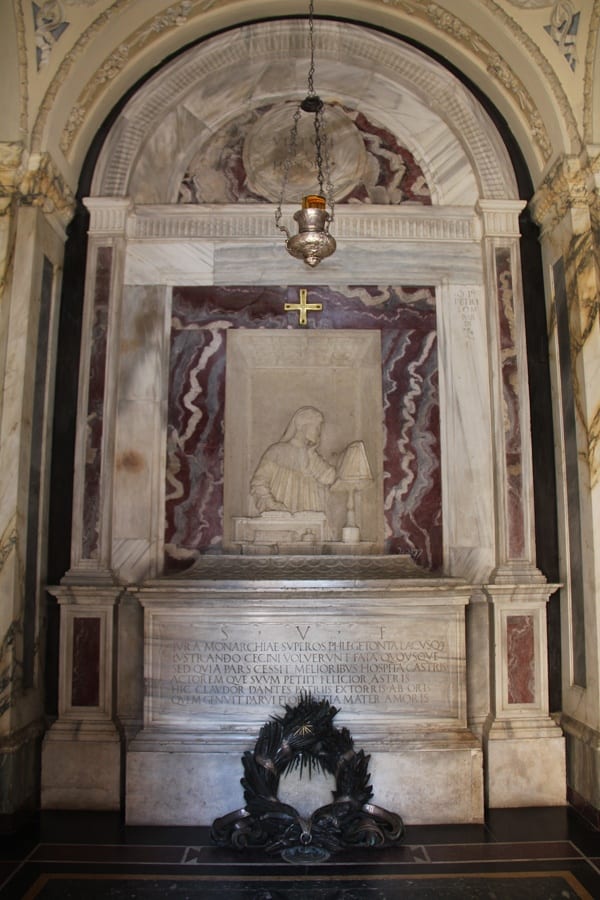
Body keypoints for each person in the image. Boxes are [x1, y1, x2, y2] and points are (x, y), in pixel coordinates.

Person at [250, 407, 337, 514]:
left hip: (312, 521)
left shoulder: (312, 456)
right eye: (316, 427)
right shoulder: (277, 451)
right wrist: (272, 505)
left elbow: (329, 478)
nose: (319, 432)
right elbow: (259, 483)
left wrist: (311, 455)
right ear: (302, 426)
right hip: (282, 518)